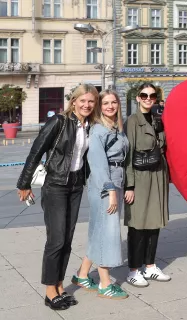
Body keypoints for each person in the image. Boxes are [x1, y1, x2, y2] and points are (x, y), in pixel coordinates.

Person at [16, 84, 98, 310]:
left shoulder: (90, 126)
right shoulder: (58, 122)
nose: (86, 105)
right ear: (74, 101)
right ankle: (50, 291)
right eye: (83, 100)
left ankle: (60, 285)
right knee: (57, 239)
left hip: (75, 186)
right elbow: (36, 150)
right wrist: (24, 183)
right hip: (55, 186)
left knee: (68, 239)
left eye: (91, 101)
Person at [73, 90, 129, 299]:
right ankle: (105, 284)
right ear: (100, 106)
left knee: (99, 229)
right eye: (105, 103)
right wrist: (111, 190)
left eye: (113, 102)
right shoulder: (98, 130)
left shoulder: (117, 128)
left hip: (116, 179)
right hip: (105, 184)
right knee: (108, 231)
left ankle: (82, 274)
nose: (110, 106)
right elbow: (97, 164)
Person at [124, 83, 170, 287]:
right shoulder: (132, 122)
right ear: (137, 98)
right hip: (140, 177)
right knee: (137, 225)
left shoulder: (158, 119)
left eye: (152, 95)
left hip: (158, 174)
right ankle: (134, 270)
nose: (148, 98)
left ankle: (150, 266)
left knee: (154, 222)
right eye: (144, 95)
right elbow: (128, 155)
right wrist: (129, 185)